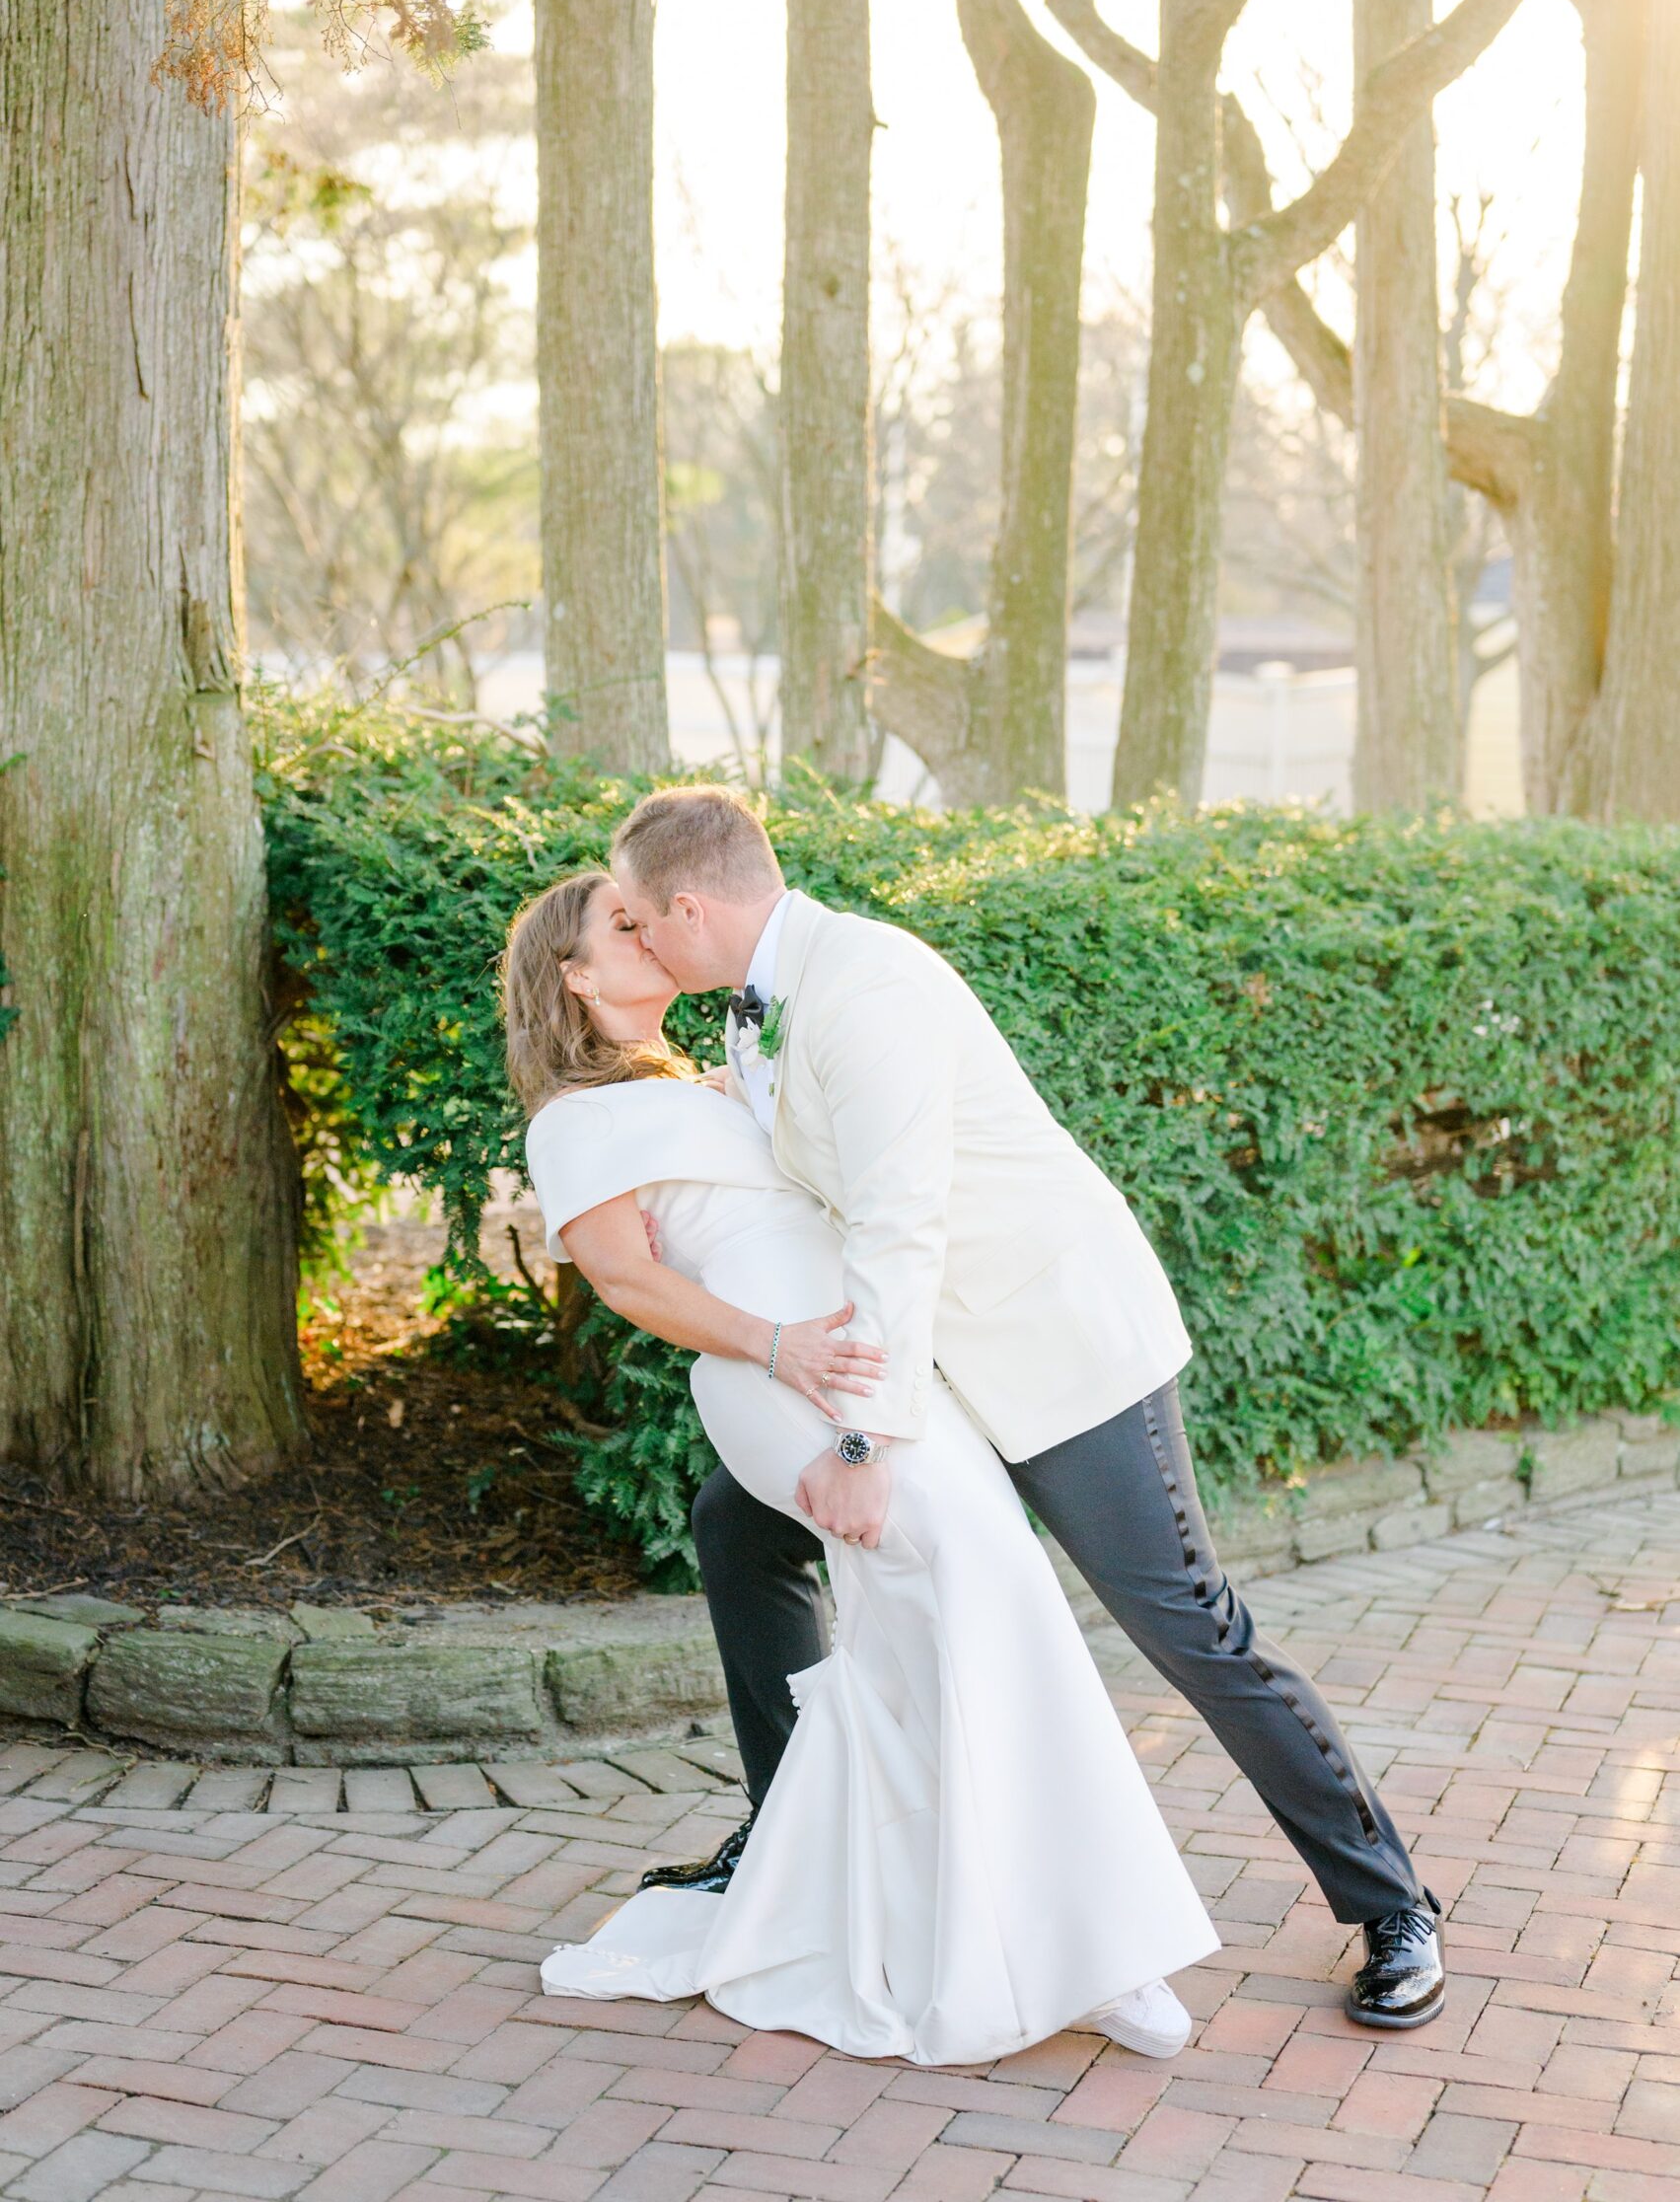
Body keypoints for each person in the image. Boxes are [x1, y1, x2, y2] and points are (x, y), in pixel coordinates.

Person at [609, 785, 1446, 2033]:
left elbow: (901, 1221)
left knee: (1186, 1627)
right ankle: (788, 1848)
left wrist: (859, 1440)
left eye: (634, 919)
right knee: (738, 1521)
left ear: (689, 904)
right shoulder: (754, 1018)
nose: (633, 942)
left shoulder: (866, 984)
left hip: (1059, 1348)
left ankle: (1391, 1906)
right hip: (940, 1362)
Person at [505, 867, 1218, 2069]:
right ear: (571, 976)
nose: (646, 933)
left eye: (646, 913)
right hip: (779, 1380)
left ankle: (969, 1923)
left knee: (969, 1611)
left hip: (873, 1379)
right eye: (616, 928)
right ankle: (1084, 1952)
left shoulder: (714, 1073)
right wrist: (781, 1348)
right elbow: (629, 1283)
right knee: (972, 1598)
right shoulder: (571, 1119)